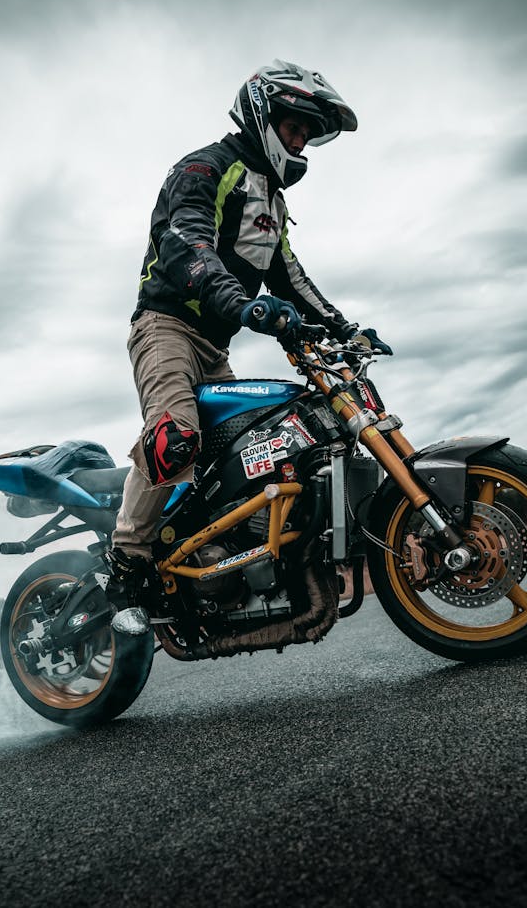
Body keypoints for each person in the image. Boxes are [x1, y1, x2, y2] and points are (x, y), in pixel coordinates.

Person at [106, 59, 392, 635]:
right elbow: (188, 245)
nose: (301, 142)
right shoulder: (204, 169)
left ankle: (220, 558)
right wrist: (244, 305)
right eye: (295, 129)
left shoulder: (272, 201)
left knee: (246, 451)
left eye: (309, 134)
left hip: (215, 342)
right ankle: (125, 565)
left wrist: (341, 326)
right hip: (166, 328)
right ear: (265, 114)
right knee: (176, 437)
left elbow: (288, 274)